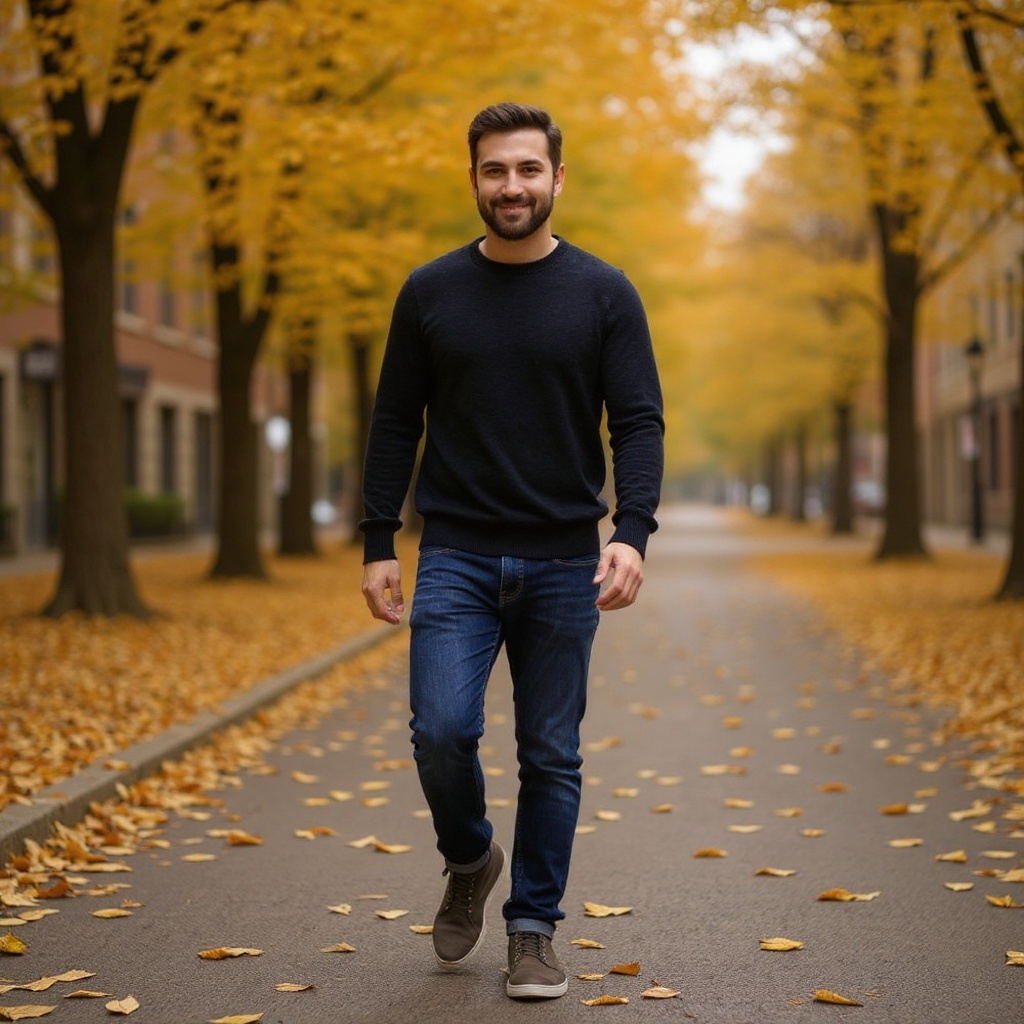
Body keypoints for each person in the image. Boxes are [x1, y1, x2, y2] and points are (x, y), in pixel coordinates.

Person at [360, 101, 664, 1001]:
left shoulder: (606, 293)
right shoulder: (429, 293)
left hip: (566, 561)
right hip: (453, 551)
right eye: (495, 171)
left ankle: (533, 931)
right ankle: (470, 856)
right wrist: (380, 539)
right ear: (475, 181)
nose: (512, 187)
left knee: (551, 753)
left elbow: (638, 422)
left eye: (528, 169)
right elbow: (392, 423)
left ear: (558, 178)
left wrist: (632, 532)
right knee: (442, 733)